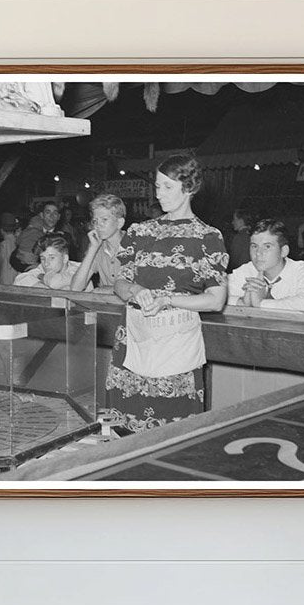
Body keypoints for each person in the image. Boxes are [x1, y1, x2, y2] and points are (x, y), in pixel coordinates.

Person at [105, 153, 228, 432]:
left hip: (176, 346)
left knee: (172, 432)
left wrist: (167, 300)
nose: (159, 194)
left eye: (167, 187)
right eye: (158, 186)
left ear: (190, 188)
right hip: (134, 341)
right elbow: (119, 282)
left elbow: (215, 300)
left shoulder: (208, 237)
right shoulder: (140, 231)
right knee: (124, 430)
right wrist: (135, 290)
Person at [227, 218, 304, 312]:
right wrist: (242, 302)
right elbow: (217, 294)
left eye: (267, 246)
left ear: (283, 251)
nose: (258, 253)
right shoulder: (246, 270)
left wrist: (261, 303)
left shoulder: (302, 270)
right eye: (254, 246)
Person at [70, 193, 126, 293]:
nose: (98, 225)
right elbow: (75, 288)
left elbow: (142, 288)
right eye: (95, 220)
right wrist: (93, 248)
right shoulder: (98, 247)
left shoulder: (135, 245)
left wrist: (109, 290)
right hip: (105, 306)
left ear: (120, 223)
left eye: (104, 219)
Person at [13, 234, 83, 290]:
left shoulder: (79, 270)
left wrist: (41, 276)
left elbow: (54, 283)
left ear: (65, 258)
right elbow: (19, 280)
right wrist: (42, 286)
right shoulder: (44, 268)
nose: (46, 263)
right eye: (42, 258)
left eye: (52, 258)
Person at [11, 201, 61, 272]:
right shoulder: (30, 232)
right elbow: (14, 259)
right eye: (48, 212)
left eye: (55, 213)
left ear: (59, 217)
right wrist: (29, 267)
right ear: (42, 215)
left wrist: (39, 266)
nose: (51, 216)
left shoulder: (63, 237)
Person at [0, 212, 20, 285]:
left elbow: (2, 267)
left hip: (6, 282)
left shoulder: (3, 245)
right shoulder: (19, 242)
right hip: (18, 281)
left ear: (1, 230)